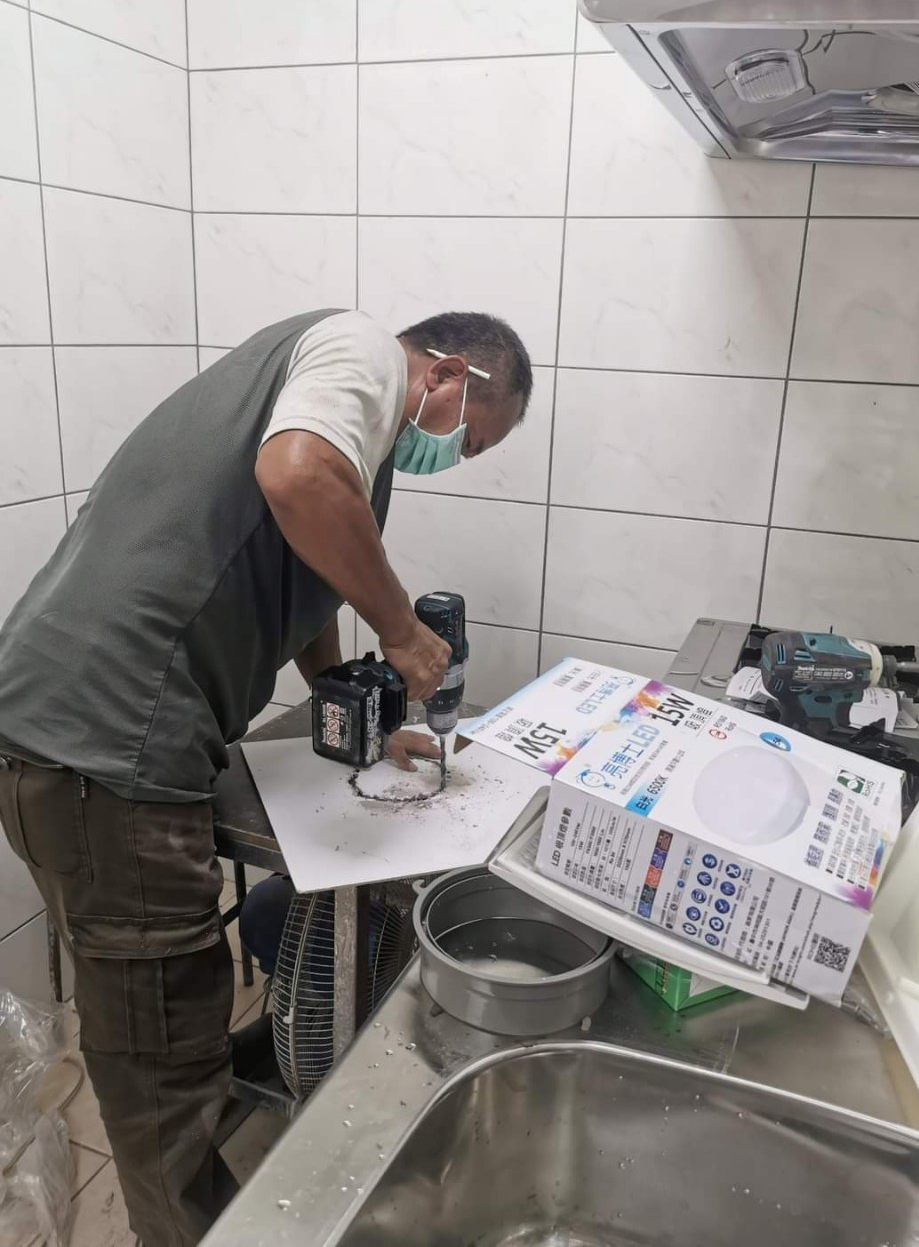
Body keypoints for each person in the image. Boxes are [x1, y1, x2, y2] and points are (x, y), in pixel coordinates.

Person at [0, 308, 532, 1247]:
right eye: (472, 438)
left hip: (78, 731)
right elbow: (294, 480)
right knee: (162, 1060)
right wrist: (402, 632)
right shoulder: (361, 352)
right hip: (103, 742)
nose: (454, 455)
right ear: (449, 374)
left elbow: (307, 567)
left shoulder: (350, 436)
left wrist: (344, 703)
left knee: (164, 1020)